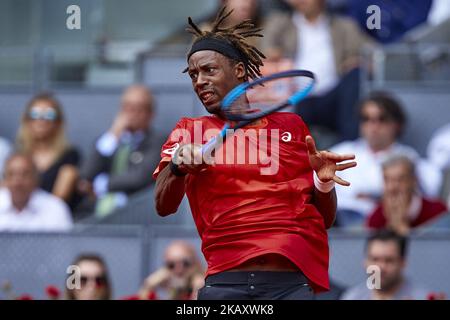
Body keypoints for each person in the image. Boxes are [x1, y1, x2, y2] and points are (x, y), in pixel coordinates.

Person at [153, 7, 357, 300]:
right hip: (225, 283)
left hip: (290, 284)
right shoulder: (189, 131)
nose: (199, 81)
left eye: (209, 70)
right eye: (194, 75)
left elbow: (323, 218)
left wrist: (323, 183)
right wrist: (177, 166)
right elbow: (163, 205)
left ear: (239, 71)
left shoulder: (291, 126)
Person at [261, 0, 372, 142]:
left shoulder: (343, 26)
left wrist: (357, 61)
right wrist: (272, 54)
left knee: (355, 75)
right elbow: (263, 49)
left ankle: (350, 147)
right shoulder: (280, 23)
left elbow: (372, 53)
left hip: (332, 96)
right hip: (295, 98)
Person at [330, 92, 442, 227]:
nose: (373, 126)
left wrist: (372, 198)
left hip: (384, 225)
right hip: (340, 222)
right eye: (366, 119)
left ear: (397, 124)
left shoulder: (407, 157)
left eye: (381, 119)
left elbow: (423, 198)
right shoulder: (340, 152)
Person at [78, 84, 163, 217]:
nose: (132, 113)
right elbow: (86, 174)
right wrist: (113, 135)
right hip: (95, 212)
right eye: (127, 107)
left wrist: (102, 184)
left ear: (150, 114)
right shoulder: (107, 140)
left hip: (135, 212)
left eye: (138, 108)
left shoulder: (158, 141)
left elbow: (141, 176)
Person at [16, 93, 81, 209]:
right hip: (21, 221)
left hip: (55, 221)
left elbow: (59, 199)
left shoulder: (70, 156)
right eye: (35, 114)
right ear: (26, 120)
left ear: (58, 122)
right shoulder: (18, 156)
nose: (41, 120)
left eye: (49, 115)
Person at [367, 155, 447, 235]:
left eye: (400, 180)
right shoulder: (376, 217)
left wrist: (402, 226)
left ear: (414, 180)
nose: (392, 188)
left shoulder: (438, 211)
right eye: (387, 180)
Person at [341, 230, 430, 300]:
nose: (381, 267)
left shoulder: (422, 297)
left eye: (389, 260)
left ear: (403, 262)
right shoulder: (353, 297)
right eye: (375, 259)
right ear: (365, 262)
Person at [0, 153, 73, 232]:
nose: (18, 182)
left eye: (25, 174)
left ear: (36, 179)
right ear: (4, 180)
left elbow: (64, 243)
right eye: (11, 175)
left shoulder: (55, 208)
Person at [139, 240, 205, 300]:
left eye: (185, 264)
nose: (179, 270)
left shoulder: (207, 290)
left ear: (196, 265)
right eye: (171, 265)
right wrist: (148, 287)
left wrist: (199, 290)